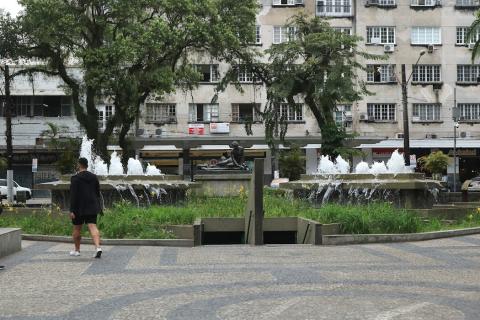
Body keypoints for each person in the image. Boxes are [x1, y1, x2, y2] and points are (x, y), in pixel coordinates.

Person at [69, 157, 103, 258]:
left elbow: (73, 195)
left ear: (79, 165)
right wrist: (98, 205)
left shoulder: (75, 178)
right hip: (92, 206)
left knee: (77, 228)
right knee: (93, 226)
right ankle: (98, 248)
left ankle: (77, 250)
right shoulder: (94, 177)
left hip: (79, 207)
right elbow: (97, 192)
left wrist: (71, 210)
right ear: (87, 165)